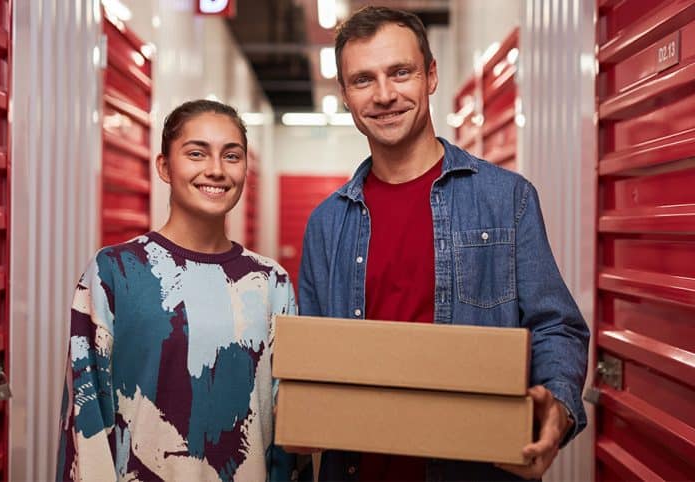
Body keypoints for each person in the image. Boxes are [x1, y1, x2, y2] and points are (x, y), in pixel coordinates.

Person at [295, 6, 589, 481]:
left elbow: (557, 326)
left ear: (430, 76)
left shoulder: (506, 199)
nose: (385, 95)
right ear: (346, 95)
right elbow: (307, 358)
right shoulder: (327, 224)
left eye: (401, 72)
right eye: (364, 80)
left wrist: (557, 403)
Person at [57, 100, 297, 481]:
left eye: (231, 156)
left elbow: (288, 431)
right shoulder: (114, 273)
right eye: (196, 153)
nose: (216, 170)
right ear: (165, 167)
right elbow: (85, 419)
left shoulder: (271, 283)